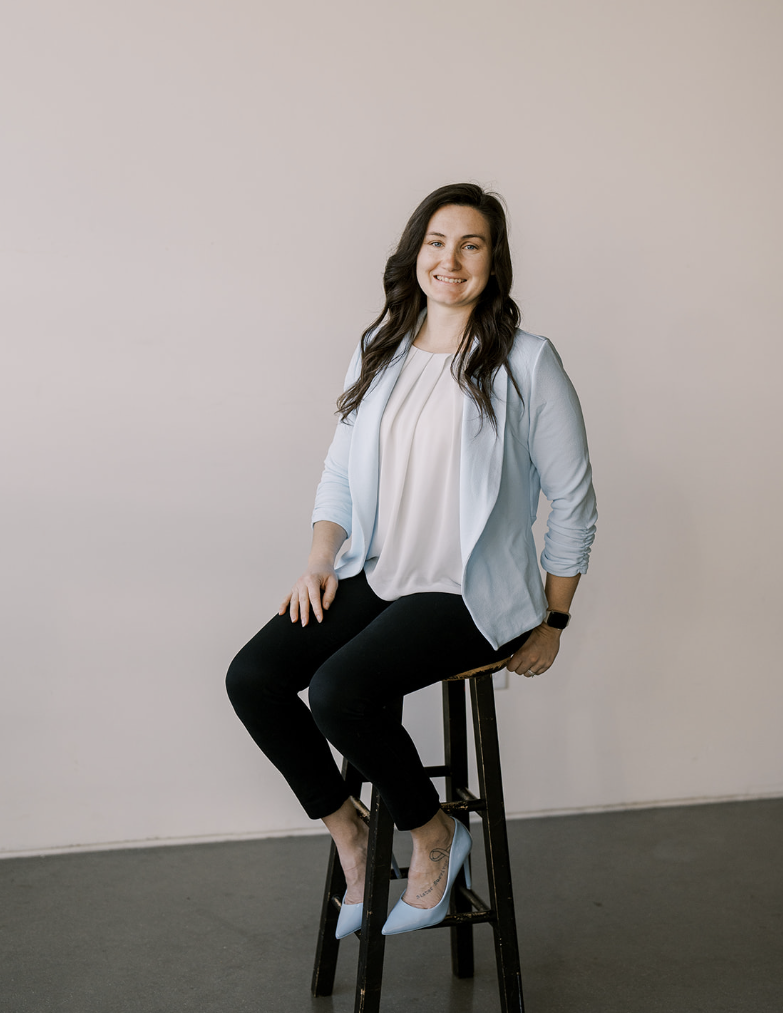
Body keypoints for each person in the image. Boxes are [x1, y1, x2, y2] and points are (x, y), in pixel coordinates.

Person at [226, 182, 597, 938]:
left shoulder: (527, 361)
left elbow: (574, 498)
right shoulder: (378, 349)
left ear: (494, 263)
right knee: (254, 677)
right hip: (379, 572)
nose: (450, 259)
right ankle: (350, 832)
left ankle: (433, 835)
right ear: (414, 252)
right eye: (436, 241)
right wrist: (320, 559)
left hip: (470, 592)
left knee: (337, 690)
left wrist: (554, 619)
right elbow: (337, 471)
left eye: (471, 244)